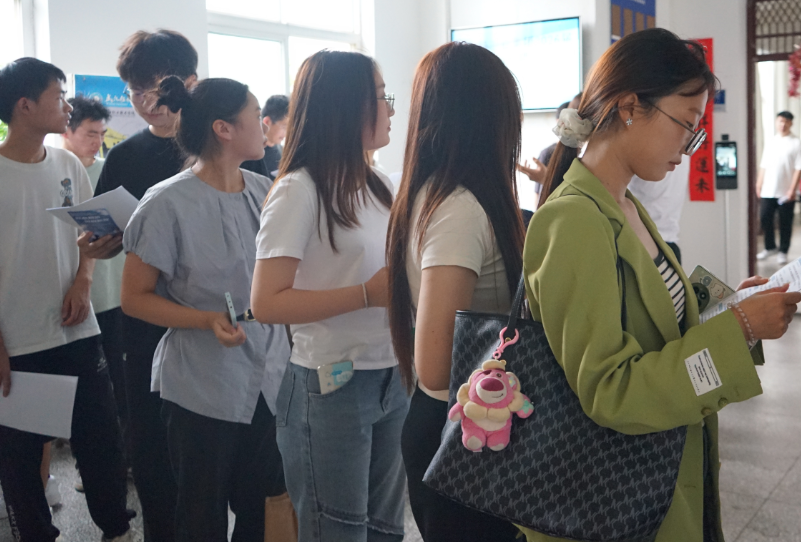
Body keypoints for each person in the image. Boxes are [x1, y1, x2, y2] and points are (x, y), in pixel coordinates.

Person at [528, 28, 801, 542]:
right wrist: (739, 329)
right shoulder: (574, 220)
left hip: (658, 472)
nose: (689, 148)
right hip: (614, 498)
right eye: (686, 126)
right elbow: (611, 390)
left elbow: (656, 322)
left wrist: (733, 308)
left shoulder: (625, 205)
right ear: (630, 106)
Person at [122, 76, 290, 542]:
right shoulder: (166, 202)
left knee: (263, 509)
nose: (264, 125)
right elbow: (134, 298)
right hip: (202, 383)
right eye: (254, 115)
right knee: (201, 514)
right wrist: (205, 319)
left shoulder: (265, 190)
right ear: (224, 128)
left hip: (268, 379)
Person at [251, 51, 407, 542]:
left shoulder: (380, 183)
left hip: (392, 375)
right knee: (336, 532)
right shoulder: (299, 190)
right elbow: (267, 302)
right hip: (332, 385)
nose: (391, 108)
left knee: (385, 529)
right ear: (346, 106)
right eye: (381, 97)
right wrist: (364, 294)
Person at [387, 42, 527, 542]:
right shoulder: (459, 208)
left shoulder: (438, 195)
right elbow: (434, 364)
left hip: (464, 424)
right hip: (459, 432)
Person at [0, 58, 132, 542]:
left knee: (101, 439)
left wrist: (83, 280)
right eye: (58, 96)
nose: (67, 106)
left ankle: (117, 528)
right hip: (21, 341)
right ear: (25, 105)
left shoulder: (68, 165)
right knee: (23, 455)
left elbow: (90, 236)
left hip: (76, 328)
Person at [93, 29, 198, 542]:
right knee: (152, 449)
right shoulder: (124, 156)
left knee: (211, 453)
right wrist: (99, 244)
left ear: (189, 82)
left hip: (210, 318)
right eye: (134, 91)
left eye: (154, 87)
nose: (145, 102)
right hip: (144, 321)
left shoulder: (224, 146)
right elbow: (105, 239)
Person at [61, 96, 129, 436]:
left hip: (114, 293)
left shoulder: (110, 171)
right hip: (70, 294)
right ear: (67, 132)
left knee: (120, 376)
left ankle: (125, 449)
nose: (97, 141)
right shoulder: (57, 174)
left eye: (102, 134)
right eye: (90, 133)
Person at [755, 110, 801, 264]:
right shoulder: (771, 141)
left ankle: (783, 250)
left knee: (785, 222)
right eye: (780, 121)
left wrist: (792, 189)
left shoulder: (796, 143)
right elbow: (764, 165)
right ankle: (770, 247)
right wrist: (759, 183)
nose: (782, 124)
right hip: (768, 190)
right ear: (776, 122)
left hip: (786, 192)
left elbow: (799, 168)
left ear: (791, 123)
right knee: (765, 218)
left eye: (786, 121)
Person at [518, 94, 581, 197]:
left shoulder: (586, 156)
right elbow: (539, 200)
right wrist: (545, 179)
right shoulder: (549, 153)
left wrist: (546, 179)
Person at [241, 94, 289, 177]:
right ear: (267, 122)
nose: (287, 133)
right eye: (284, 126)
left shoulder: (282, 151)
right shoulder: (252, 155)